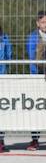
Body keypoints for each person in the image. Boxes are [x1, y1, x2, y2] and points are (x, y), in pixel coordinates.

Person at [26, 10, 46, 150]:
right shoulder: (32, 37)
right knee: (36, 108)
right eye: (43, 22)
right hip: (36, 76)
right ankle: (35, 139)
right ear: (38, 23)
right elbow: (32, 58)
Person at [0, 22, 10, 152]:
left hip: (2, 77)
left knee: (2, 111)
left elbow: (8, 56)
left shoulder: (4, 39)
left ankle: (1, 139)